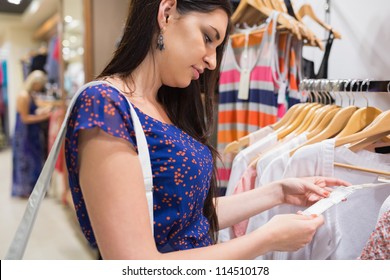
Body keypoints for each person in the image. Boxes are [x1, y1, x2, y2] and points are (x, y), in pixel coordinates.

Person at [64, 0, 350, 259]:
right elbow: (135, 264)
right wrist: (267, 238)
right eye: (207, 38)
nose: (213, 60)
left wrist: (277, 192)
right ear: (166, 13)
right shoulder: (105, 104)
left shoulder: (165, 106)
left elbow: (188, 215)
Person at [12, 70, 51, 197]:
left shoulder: (30, 95)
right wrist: (44, 116)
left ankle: (33, 189)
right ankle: (26, 189)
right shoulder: (23, 96)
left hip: (32, 132)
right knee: (27, 159)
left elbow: (34, 110)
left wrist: (42, 112)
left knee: (34, 159)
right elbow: (25, 118)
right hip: (25, 133)